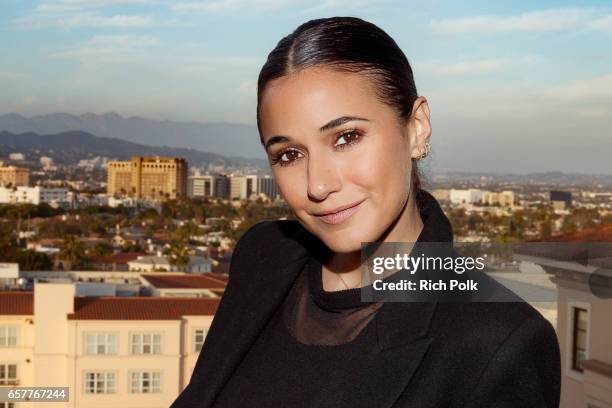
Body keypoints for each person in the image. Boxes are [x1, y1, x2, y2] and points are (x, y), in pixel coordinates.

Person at [170, 16, 561, 408]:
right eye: (289, 155)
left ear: (417, 128)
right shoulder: (263, 257)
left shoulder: (497, 342)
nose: (318, 185)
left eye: (346, 137)